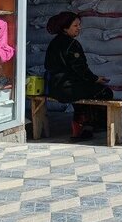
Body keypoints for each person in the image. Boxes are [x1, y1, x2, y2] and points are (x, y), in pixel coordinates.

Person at [45, 11, 112, 140]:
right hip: (66, 88)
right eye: (75, 26)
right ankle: (88, 125)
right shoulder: (72, 45)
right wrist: (96, 79)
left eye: (79, 25)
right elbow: (80, 69)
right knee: (104, 92)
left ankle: (82, 125)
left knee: (86, 91)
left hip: (53, 87)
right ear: (65, 28)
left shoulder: (54, 43)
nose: (79, 28)